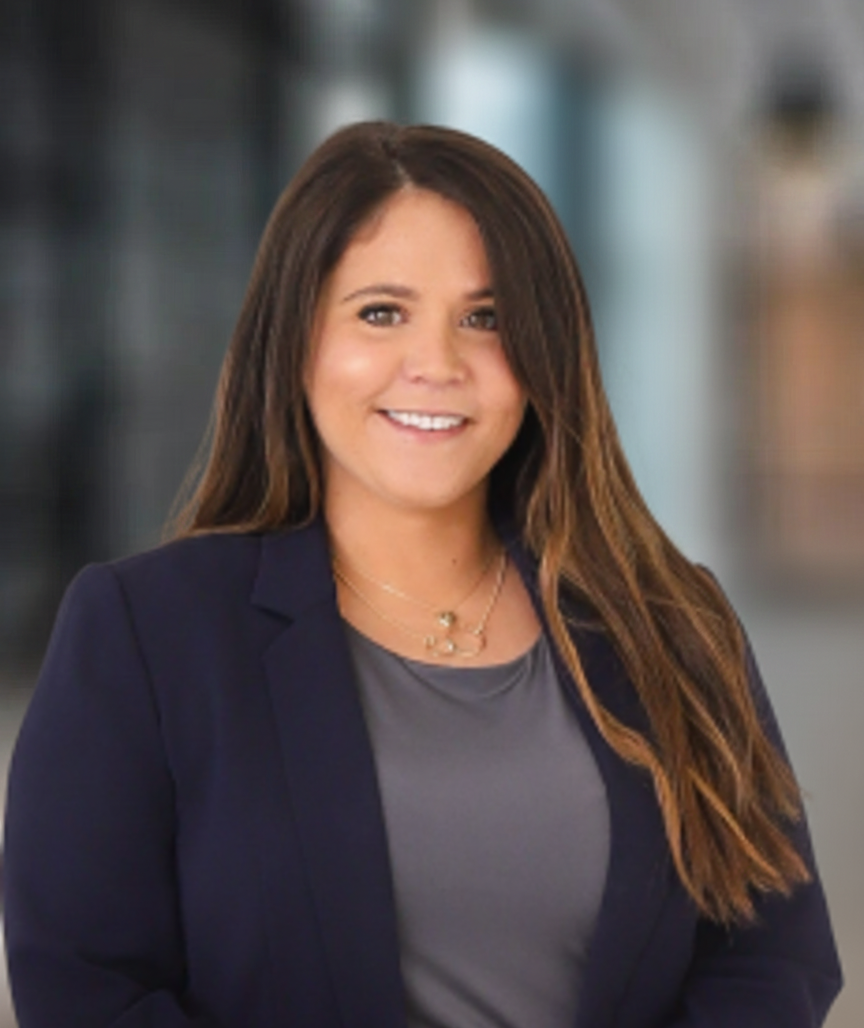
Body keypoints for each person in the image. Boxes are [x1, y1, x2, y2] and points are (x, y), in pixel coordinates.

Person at [2, 121, 842, 1028]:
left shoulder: (671, 623)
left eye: (486, 319)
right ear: (295, 342)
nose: (437, 365)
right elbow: (89, 990)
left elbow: (770, 957)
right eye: (381, 312)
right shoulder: (147, 632)